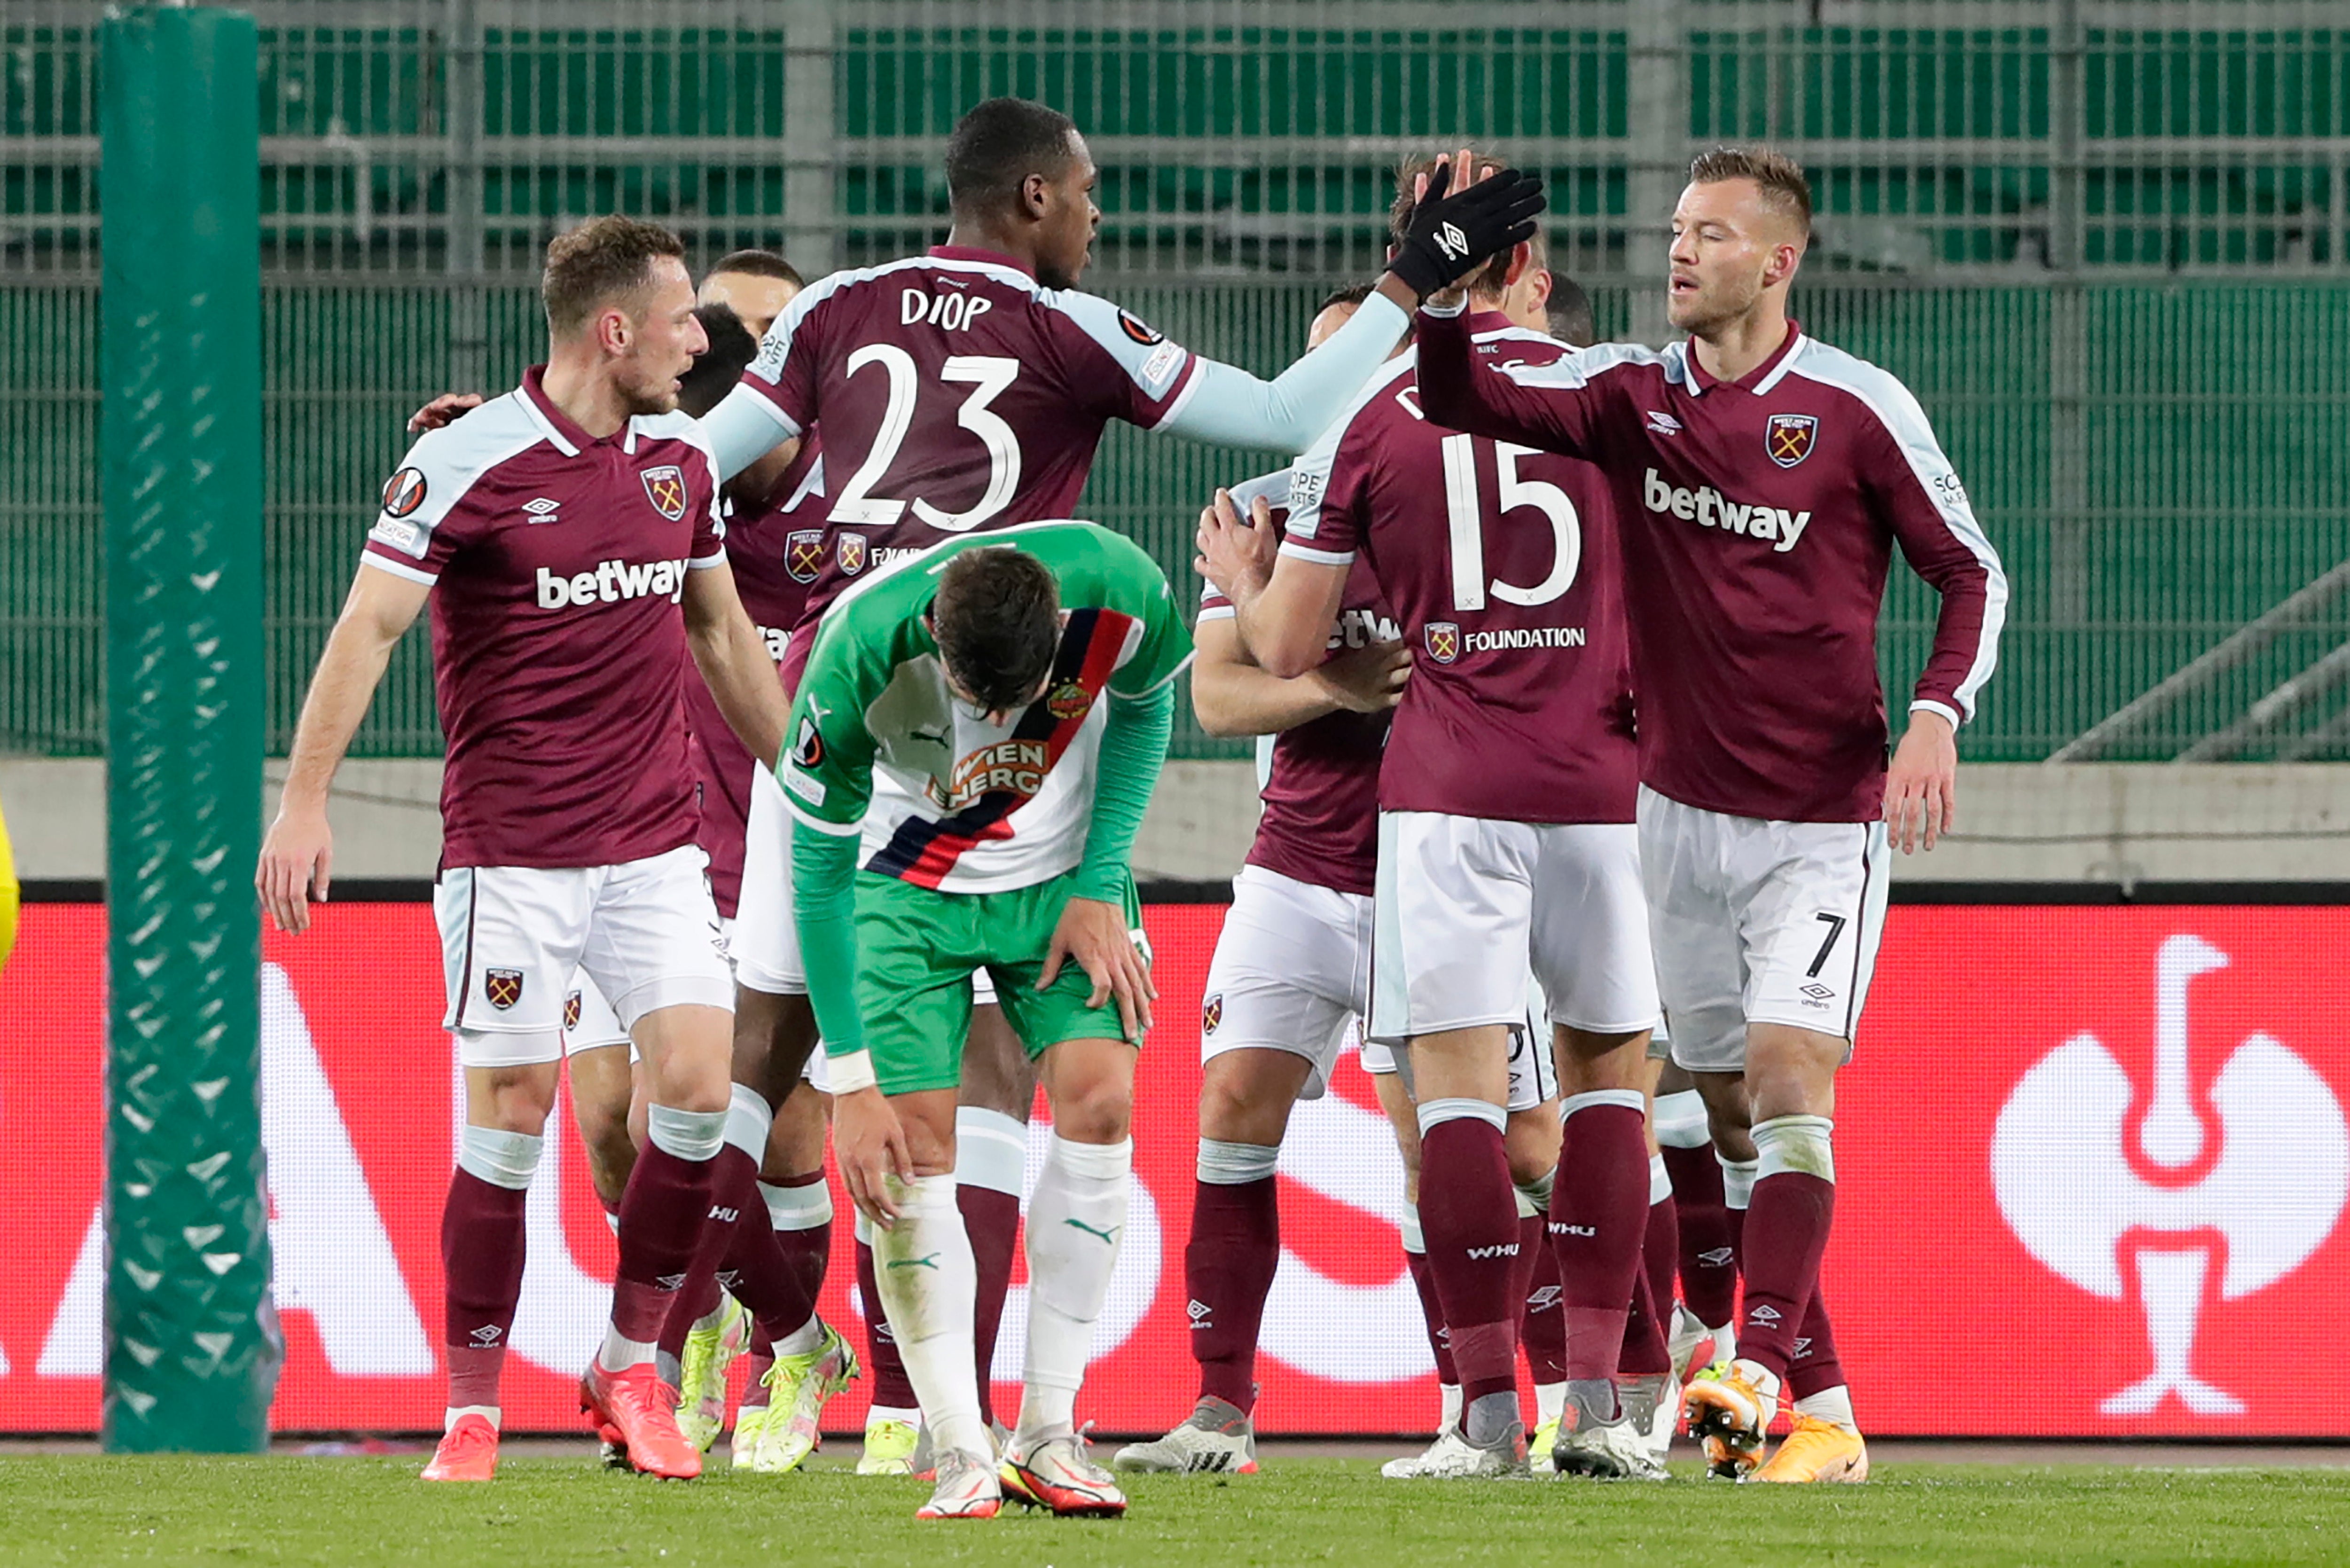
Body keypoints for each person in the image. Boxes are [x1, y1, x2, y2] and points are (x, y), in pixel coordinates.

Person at [677, 93, 1542, 1468]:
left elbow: (684, 462)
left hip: (876, 711)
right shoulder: (1067, 328)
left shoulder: (836, 303)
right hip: (1000, 734)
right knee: (985, 1087)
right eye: (1086, 195)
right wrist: (1412, 280)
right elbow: (1281, 406)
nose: (1099, 216)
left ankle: (942, 1414)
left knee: (742, 1090)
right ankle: (859, 1374)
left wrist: (532, 439)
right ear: (1031, 201)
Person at [1416, 145, 2007, 1482]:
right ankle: (1830, 1412)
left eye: (1713, 235)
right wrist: (1444, 288)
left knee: (1796, 1081)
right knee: (1727, 1113)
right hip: (1673, 821)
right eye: (1678, 230)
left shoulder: (1854, 409)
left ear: (1780, 262)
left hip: (1821, 819)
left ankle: (1750, 1363)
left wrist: (1935, 716)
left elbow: (1970, 573)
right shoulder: (1629, 393)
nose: (1681, 252)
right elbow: (1456, 397)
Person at [257, 215, 791, 1484]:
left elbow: (720, 639)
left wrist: (811, 786)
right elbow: (367, 631)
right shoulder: (467, 461)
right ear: (616, 332)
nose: (696, 344)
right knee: (513, 1117)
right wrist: (304, 801)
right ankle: (473, 1410)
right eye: (680, 324)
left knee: (702, 1093)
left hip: (654, 846)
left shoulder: (678, 462)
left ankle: (625, 1362)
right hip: (512, 856)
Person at [1203, 150, 1661, 1480]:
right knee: (1604, 1097)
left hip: (1448, 801)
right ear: (1535, 270)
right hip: (1598, 795)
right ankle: (1604, 1412)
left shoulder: (1375, 421)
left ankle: (1484, 1423)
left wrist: (1251, 569)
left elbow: (1287, 648)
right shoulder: (1623, 394)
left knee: (1455, 1112)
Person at [783, 524, 1190, 1520]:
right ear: (933, 636)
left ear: (1059, 626)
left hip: (1058, 888)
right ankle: (963, 1449)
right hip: (900, 893)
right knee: (914, 1154)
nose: (1005, 720)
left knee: (1102, 1104)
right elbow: (817, 873)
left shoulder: (1122, 581)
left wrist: (1101, 880)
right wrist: (847, 1078)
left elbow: (1145, 705)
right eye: (980, 702)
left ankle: (1050, 1432)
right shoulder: (853, 660)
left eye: (1022, 699)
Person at [1107, 288, 1409, 1479]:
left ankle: (1481, 1409)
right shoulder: (1265, 513)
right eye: (1318, 371)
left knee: (1469, 1153)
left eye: (1360, 369)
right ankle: (1219, 1413)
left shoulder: (1447, 503)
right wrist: (1339, 688)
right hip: (1291, 866)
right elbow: (1219, 698)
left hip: (1432, 873)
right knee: (1229, 1114)